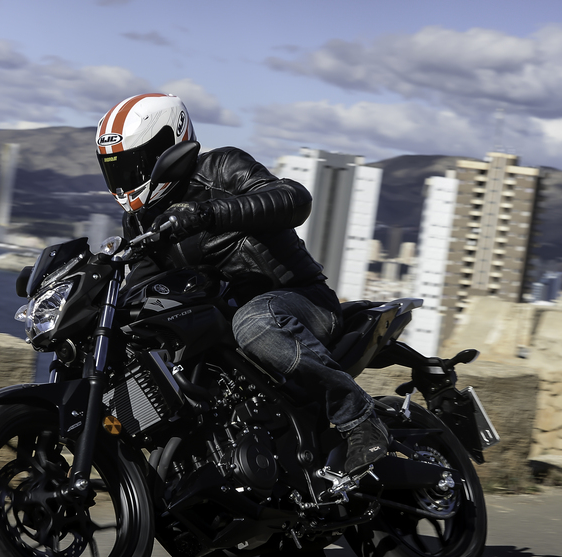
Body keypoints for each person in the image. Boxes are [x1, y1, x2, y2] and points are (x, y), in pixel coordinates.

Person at [95, 93, 387, 475]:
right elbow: (144, 286)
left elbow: (294, 199)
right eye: (116, 170)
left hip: (299, 301)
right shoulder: (140, 221)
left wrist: (207, 214)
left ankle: (360, 418)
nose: (124, 181)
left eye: (132, 166)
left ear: (168, 148)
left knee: (253, 322)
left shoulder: (221, 167)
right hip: (227, 328)